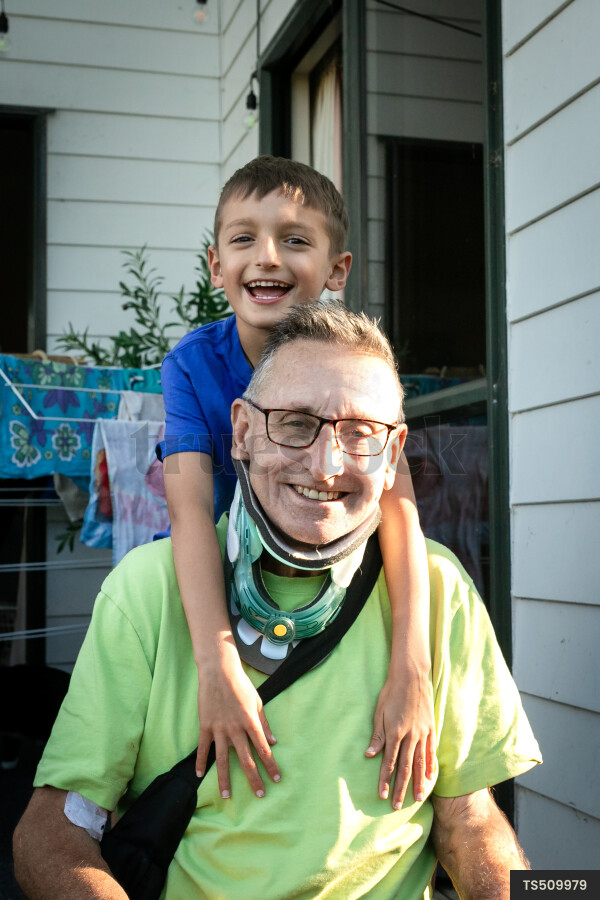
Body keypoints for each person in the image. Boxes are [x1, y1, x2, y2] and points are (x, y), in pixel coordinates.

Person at [14, 300, 542, 900]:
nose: (326, 466)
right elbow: (55, 827)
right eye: (294, 423)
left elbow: (470, 820)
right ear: (241, 432)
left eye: (362, 434)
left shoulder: (440, 591)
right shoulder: (147, 590)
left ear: (394, 454)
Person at [158, 155, 434, 809]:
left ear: (337, 270)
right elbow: (189, 506)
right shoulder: (193, 364)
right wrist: (215, 660)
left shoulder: (361, 366)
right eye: (244, 238)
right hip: (231, 574)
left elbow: (401, 511)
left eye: (296, 239)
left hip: (336, 568)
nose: (268, 258)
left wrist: (411, 667)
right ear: (215, 264)